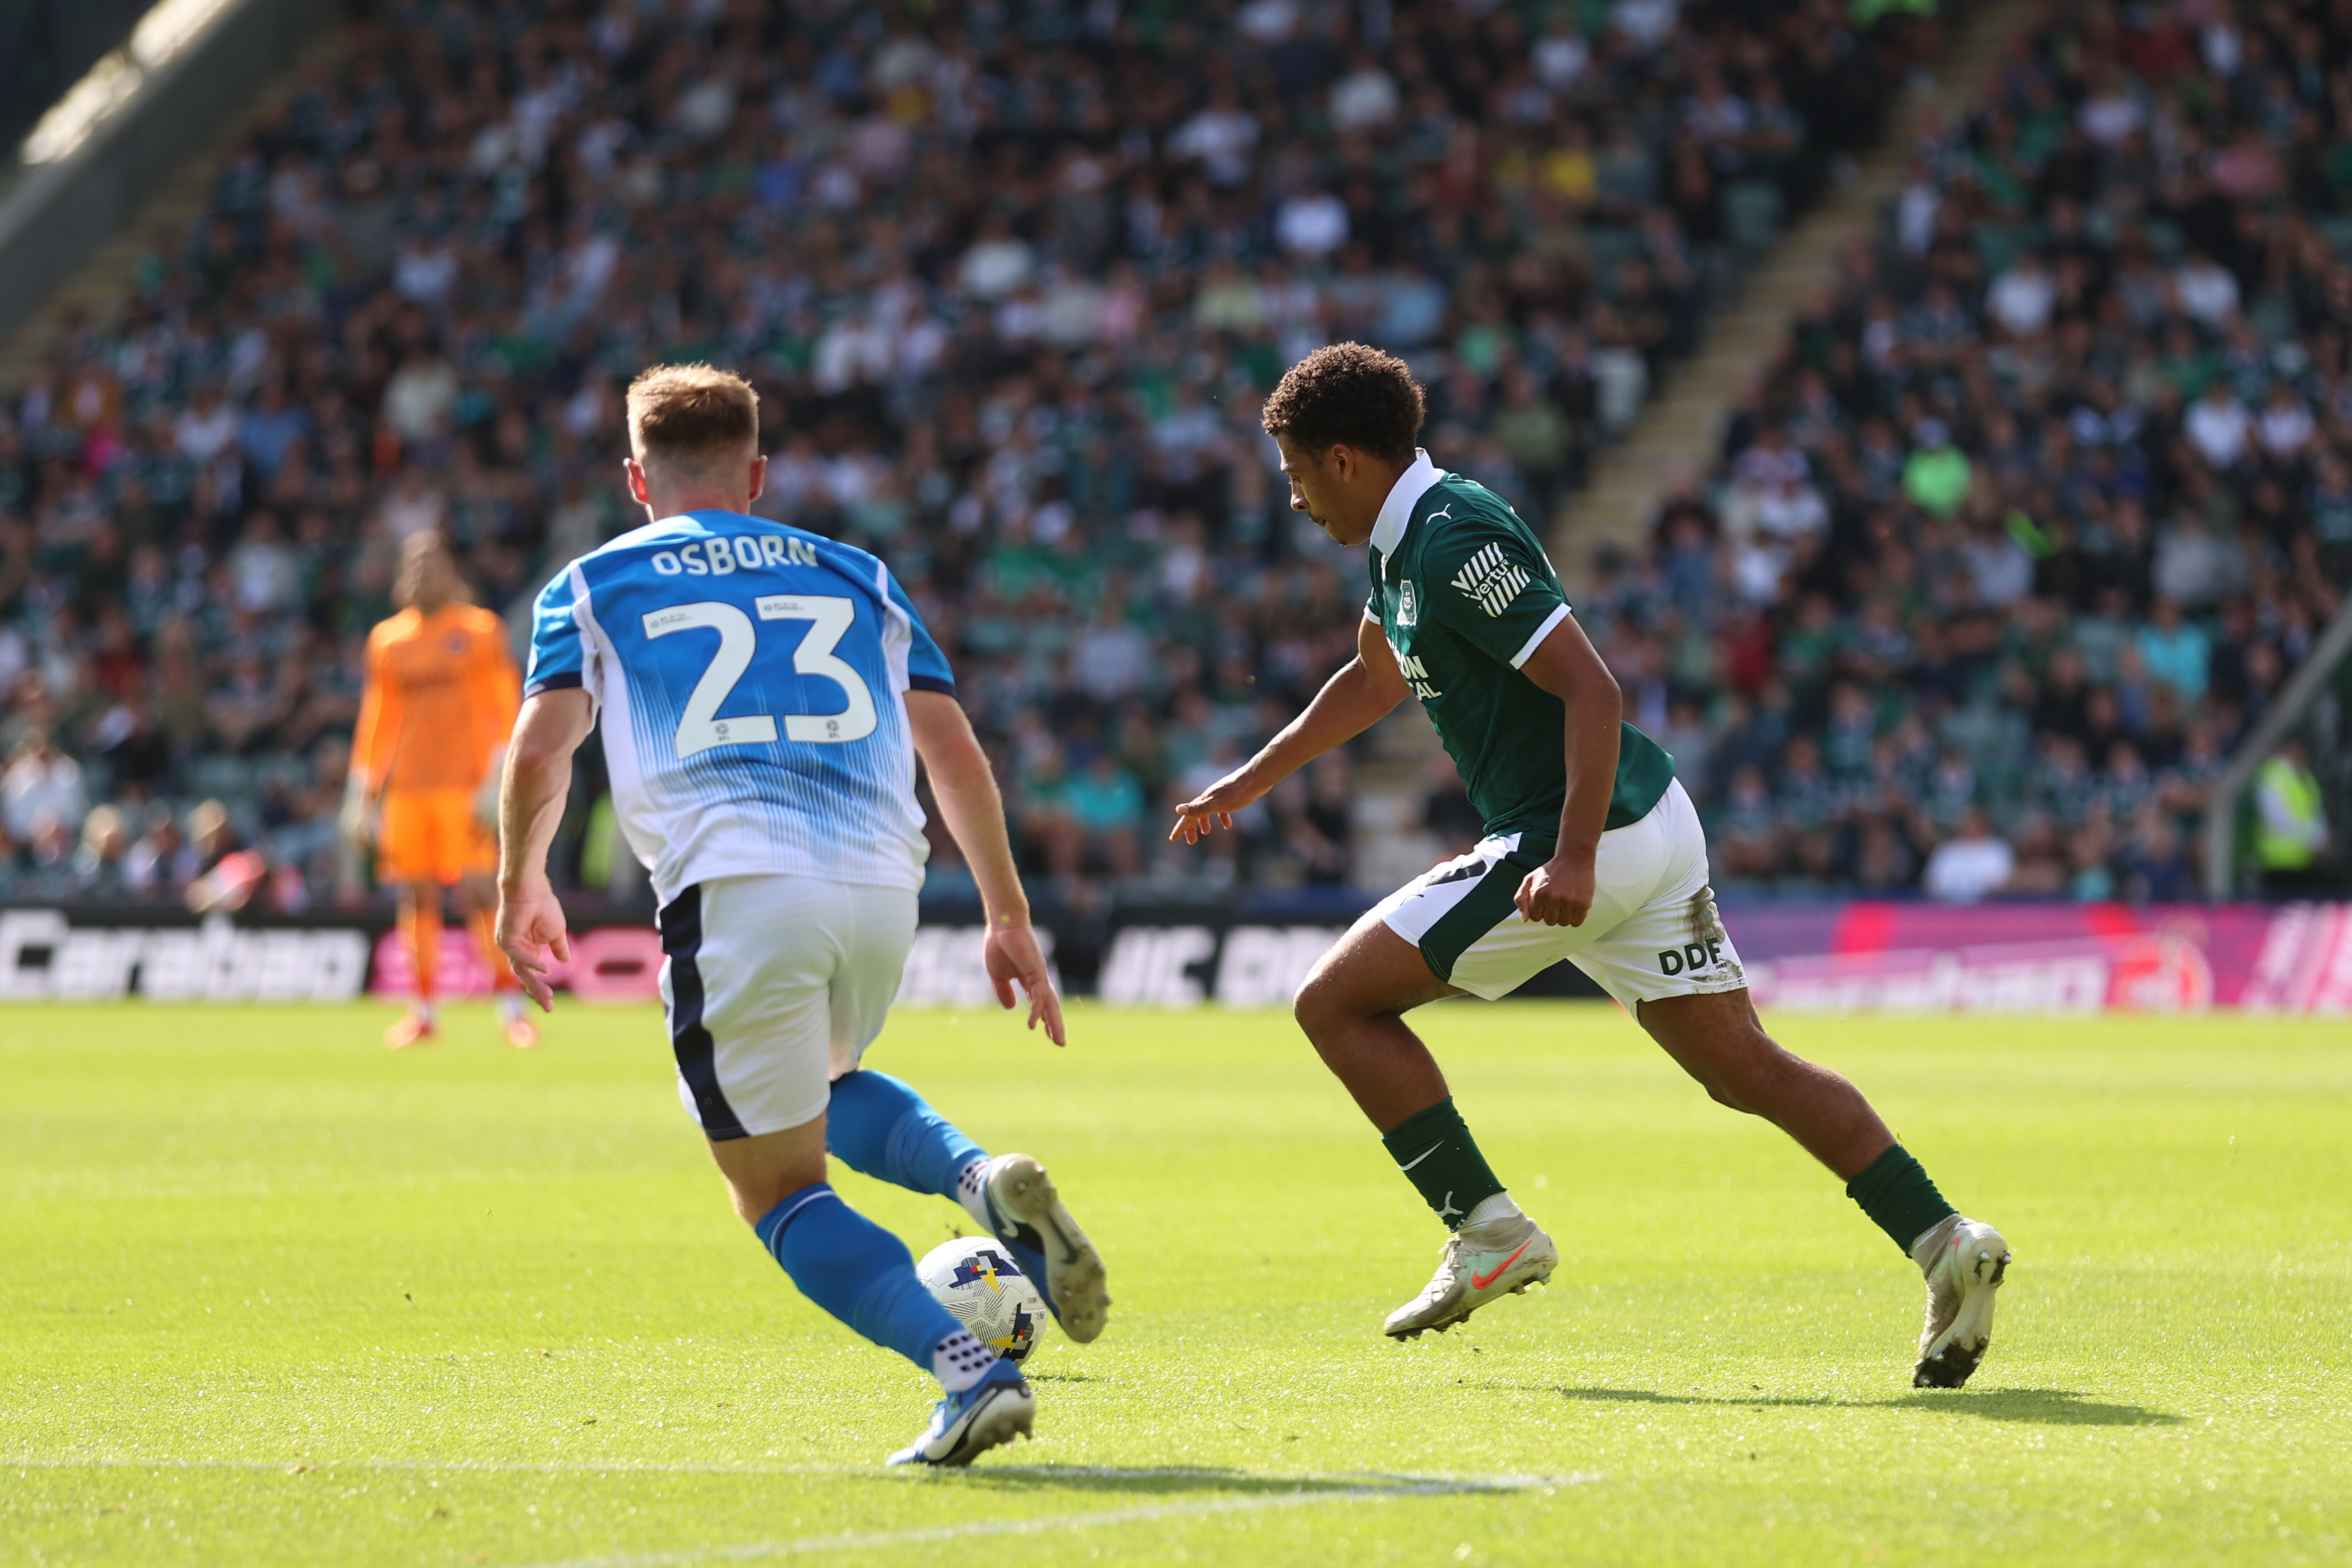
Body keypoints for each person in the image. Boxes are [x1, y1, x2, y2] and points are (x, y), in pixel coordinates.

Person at [1172, 344, 2010, 1388]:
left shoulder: (1449, 539)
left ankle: (1486, 1230)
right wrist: (1246, 781)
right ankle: (1944, 1240)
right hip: (1644, 823)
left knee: (1333, 1004)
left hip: (1581, 835)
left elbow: (1593, 689)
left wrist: (1569, 856)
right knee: (1743, 1069)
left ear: (1344, 460)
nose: (1294, 498)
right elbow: (1373, 677)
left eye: (1298, 473)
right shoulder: (1401, 542)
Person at [493, 364, 1108, 1468]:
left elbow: (543, 749)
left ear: (636, 479)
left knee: (774, 1192)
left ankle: (969, 1373)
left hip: (738, 884)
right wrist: (1007, 912)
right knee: (822, 1084)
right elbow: (952, 747)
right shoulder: (858, 574)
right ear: (759, 474)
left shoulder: (591, 584)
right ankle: (977, 1180)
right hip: (882, 883)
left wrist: (518, 884)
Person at [345, 532, 532, 1049]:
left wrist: (497, 778)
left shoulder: (480, 630)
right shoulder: (388, 639)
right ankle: (423, 1011)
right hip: (408, 790)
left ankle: (512, 1009)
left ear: (452, 570)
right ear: (402, 574)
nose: (424, 571)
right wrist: (362, 792)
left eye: (434, 561)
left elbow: (505, 706)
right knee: (415, 896)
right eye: (415, 563)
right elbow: (378, 718)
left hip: (465, 788)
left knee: (479, 891)